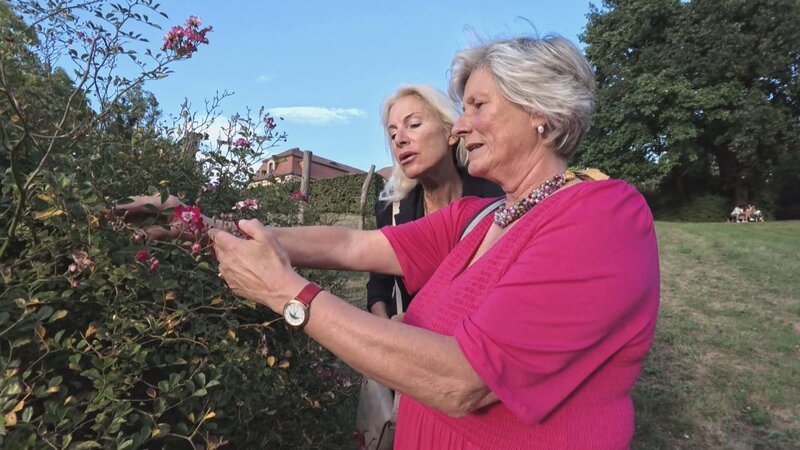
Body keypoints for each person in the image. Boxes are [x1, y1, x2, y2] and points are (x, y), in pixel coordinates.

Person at [123, 34, 660, 449]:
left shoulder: (602, 217)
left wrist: (287, 295)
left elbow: (465, 381)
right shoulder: (478, 217)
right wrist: (193, 223)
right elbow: (348, 248)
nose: (459, 126)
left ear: (541, 112)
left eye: (477, 106)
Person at [367, 84, 502, 319]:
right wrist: (385, 326)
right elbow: (378, 284)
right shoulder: (390, 209)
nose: (399, 139)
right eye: (392, 133)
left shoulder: (496, 196)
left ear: (450, 131)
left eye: (414, 125)